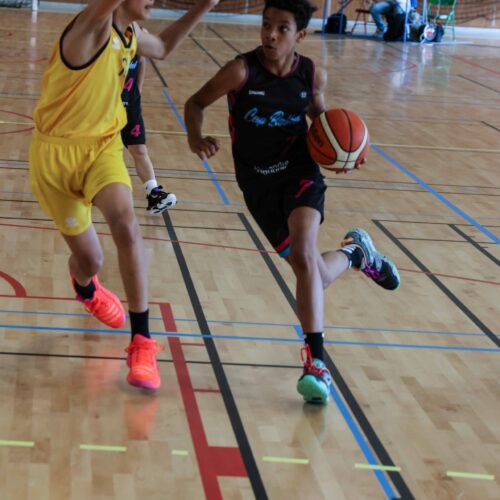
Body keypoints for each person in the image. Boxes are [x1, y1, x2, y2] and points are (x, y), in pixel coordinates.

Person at [184, 0, 401, 404]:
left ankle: (316, 363)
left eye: (282, 28)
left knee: (303, 256)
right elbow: (195, 103)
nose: (270, 34)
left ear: (299, 35)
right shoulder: (241, 71)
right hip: (257, 185)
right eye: (266, 25)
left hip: (300, 173)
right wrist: (196, 137)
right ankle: (356, 254)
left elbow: (322, 123)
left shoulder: (311, 74)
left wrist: (343, 154)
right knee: (313, 273)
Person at [29, 0, 219, 391]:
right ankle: (86, 286)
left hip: (102, 148)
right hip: (55, 159)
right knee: (91, 260)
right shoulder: (91, 26)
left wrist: (206, 4)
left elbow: (162, 47)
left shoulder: (130, 34)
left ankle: (142, 342)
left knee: (126, 226)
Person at [121, 50, 177, 215]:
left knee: (139, 149)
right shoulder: (106, 38)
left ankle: (154, 195)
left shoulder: (137, 38)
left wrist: (138, 89)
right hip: (106, 104)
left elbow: (142, 61)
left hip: (130, 103)